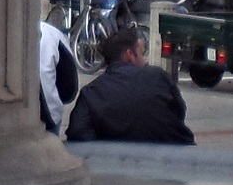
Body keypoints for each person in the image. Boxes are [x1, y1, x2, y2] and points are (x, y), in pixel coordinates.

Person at [65, 27, 194, 144]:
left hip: (116, 161)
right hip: (173, 155)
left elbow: (77, 133)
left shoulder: (91, 93)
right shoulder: (157, 76)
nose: (145, 60)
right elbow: (180, 110)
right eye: (142, 54)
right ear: (129, 55)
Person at [37, 18, 79, 133]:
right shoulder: (49, 33)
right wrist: (51, 116)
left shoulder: (48, 33)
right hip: (48, 114)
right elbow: (69, 80)